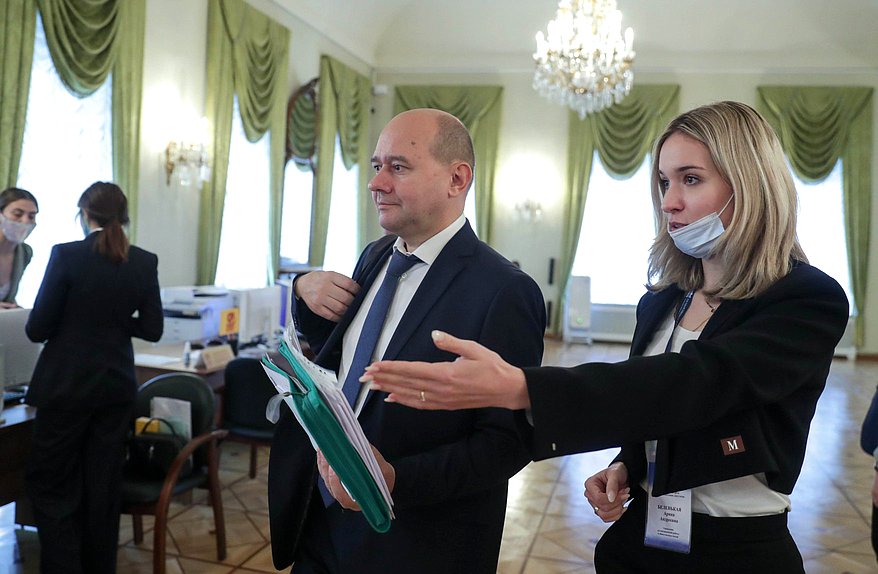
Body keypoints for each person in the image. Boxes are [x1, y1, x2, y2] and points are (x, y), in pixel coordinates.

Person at [363, 101, 850, 573]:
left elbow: (694, 383)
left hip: (737, 549)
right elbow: (651, 407)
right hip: (641, 539)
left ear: (749, 184)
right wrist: (630, 466)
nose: (669, 200)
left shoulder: (806, 298)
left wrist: (524, 387)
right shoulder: (663, 300)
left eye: (691, 179)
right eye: (664, 181)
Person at [268, 108, 547, 573]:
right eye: (377, 165)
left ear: (457, 179)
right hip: (321, 519)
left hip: (416, 540)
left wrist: (394, 480)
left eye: (398, 167)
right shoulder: (376, 255)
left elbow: (507, 443)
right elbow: (349, 357)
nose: (376, 183)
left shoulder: (505, 291)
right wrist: (302, 292)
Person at [24, 182, 163, 574]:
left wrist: (78, 320)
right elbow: (152, 329)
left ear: (85, 214)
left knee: (53, 484)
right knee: (102, 487)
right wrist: (114, 322)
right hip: (115, 390)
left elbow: (37, 328)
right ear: (124, 216)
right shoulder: (143, 261)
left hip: (65, 388)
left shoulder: (66, 255)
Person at [0, 187, 39, 308]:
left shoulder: (25, 252)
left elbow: (7, 298)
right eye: (17, 214)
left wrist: (14, 308)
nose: (25, 221)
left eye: (31, 216)